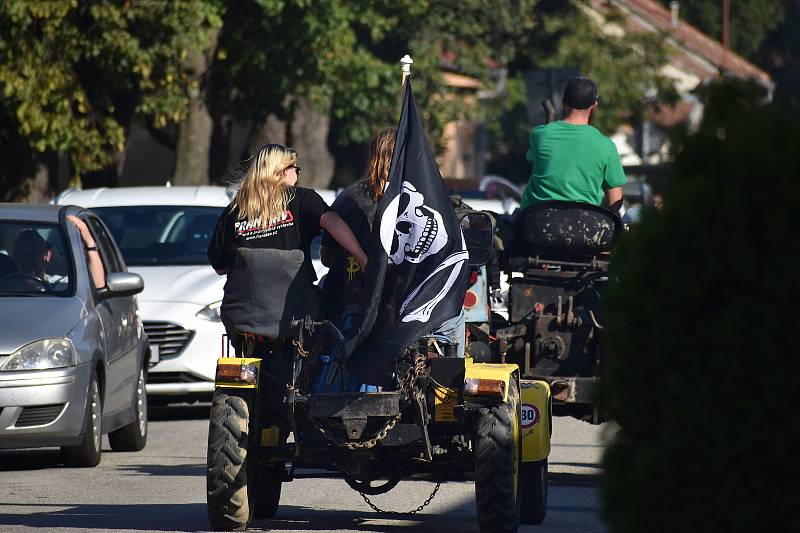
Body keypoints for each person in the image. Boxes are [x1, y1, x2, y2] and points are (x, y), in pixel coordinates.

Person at [320, 128, 467, 357]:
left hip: (350, 299)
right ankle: (448, 383)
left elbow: (327, 259)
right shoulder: (429, 199)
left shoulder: (348, 198)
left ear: (374, 155)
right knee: (454, 313)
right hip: (405, 305)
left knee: (323, 289)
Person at [207, 143, 367, 351]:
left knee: (242, 371)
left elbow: (219, 266)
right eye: (295, 169)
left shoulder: (234, 210)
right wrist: (362, 257)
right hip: (295, 317)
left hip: (244, 323)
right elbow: (332, 221)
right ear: (281, 171)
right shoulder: (300, 199)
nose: (297, 176)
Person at [519, 77, 625, 212]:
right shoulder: (606, 146)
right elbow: (615, 201)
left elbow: (534, 161)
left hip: (536, 223)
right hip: (584, 226)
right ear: (594, 106)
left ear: (563, 102)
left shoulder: (539, 135)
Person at [8, 215, 105, 291]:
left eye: (34, 254)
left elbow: (97, 285)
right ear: (14, 258)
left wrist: (89, 243)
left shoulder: (62, 287)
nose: (28, 260)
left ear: (47, 255)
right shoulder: (5, 288)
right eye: (22, 254)